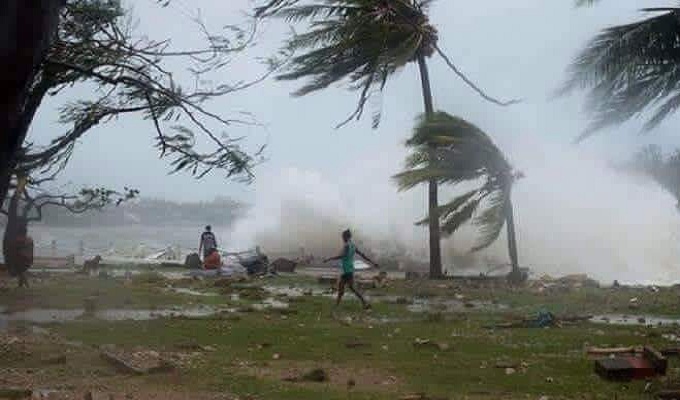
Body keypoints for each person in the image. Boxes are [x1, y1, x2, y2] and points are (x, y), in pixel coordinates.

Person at [323, 229, 378, 310]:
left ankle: (337, 305)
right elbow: (363, 255)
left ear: (346, 237)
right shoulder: (353, 245)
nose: (342, 238)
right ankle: (364, 303)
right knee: (348, 288)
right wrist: (373, 262)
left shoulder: (347, 245)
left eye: (343, 237)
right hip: (349, 269)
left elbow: (342, 255)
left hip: (346, 270)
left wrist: (329, 258)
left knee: (343, 288)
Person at [8, 223, 33, 288]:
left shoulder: (21, 239)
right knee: (21, 271)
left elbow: (16, 248)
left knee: (21, 271)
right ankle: (20, 285)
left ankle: (27, 286)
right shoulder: (29, 239)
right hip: (28, 258)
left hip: (23, 258)